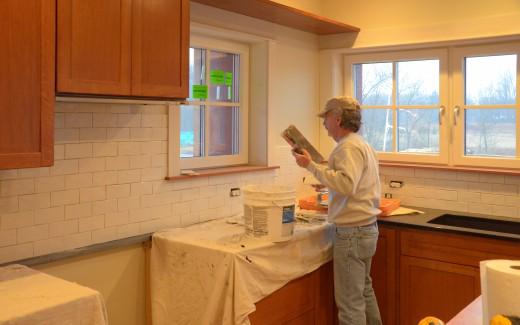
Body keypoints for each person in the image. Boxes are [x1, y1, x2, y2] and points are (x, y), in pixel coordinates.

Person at [292, 96, 382, 325]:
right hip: (366, 230)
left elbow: (346, 184)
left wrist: (310, 166)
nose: (324, 124)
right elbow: (350, 181)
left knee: (350, 304)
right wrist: (326, 179)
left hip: (352, 233)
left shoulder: (346, 148)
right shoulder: (360, 143)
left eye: (327, 119)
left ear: (338, 119)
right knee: (364, 292)